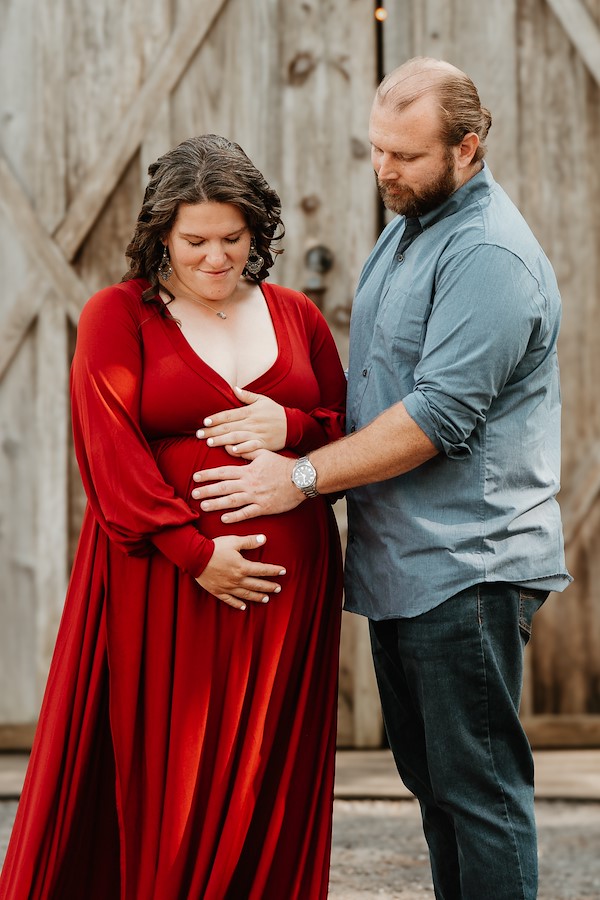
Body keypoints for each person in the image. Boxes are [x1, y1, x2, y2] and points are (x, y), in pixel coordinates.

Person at [191, 59, 572, 899]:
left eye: (404, 155)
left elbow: (435, 416)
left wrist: (303, 475)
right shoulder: (413, 223)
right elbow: (374, 388)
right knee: (437, 791)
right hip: (408, 567)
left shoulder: (488, 254)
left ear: (468, 148)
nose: (383, 171)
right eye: (375, 151)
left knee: (480, 798)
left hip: (469, 567)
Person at [0, 135, 347, 899]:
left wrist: (289, 430)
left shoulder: (297, 317)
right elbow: (108, 454)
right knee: (174, 770)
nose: (216, 258)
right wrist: (196, 552)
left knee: (265, 772)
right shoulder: (116, 315)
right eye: (195, 241)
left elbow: (339, 427)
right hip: (166, 588)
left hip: (287, 600)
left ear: (258, 233)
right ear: (161, 235)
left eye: (233, 239)